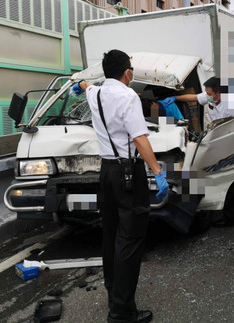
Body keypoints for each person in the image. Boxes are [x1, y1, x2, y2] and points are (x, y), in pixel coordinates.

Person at [77, 49, 169, 323]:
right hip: (128, 173)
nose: (132, 71)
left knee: (111, 236)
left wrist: (76, 84)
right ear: (127, 72)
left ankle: (113, 294)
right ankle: (122, 311)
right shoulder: (127, 96)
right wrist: (157, 171)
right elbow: (140, 138)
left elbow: (85, 85)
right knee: (129, 241)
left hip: (106, 172)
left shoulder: (97, 93)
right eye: (131, 67)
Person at [162, 77, 234, 227]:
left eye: (209, 93)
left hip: (233, 144)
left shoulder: (232, 103)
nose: (206, 96)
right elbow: (193, 97)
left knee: (232, 179)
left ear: (219, 93)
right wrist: (175, 97)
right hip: (219, 142)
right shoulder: (211, 98)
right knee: (232, 179)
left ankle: (230, 218)